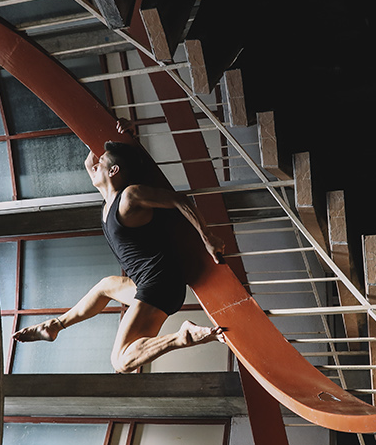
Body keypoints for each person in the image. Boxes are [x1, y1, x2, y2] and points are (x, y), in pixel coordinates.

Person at [12, 129, 227, 372]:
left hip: (160, 282)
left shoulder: (129, 197)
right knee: (105, 286)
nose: (93, 166)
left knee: (121, 362)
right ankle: (55, 325)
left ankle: (184, 336)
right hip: (149, 282)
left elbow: (180, 200)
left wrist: (207, 237)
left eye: (101, 163)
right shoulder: (109, 202)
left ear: (114, 171)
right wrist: (124, 135)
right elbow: (88, 159)